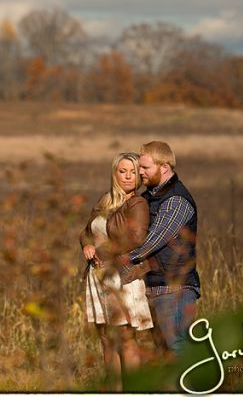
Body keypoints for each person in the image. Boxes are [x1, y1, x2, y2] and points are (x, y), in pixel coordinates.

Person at [112, 141, 200, 358]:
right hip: (155, 287)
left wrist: (123, 259)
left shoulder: (176, 200)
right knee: (164, 355)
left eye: (145, 168)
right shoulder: (150, 197)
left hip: (174, 290)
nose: (140, 172)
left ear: (165, 167)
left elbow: (154, 240)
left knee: (179, 350)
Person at [80, 152, 153, 390]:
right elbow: (86, 231)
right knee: (105, 336)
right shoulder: (105, 201)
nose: (129, 176)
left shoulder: (137, 203)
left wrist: (103, 251)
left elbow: (137, 237)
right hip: (97, 276)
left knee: (125, 337)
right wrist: (87, 245)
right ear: (115, 174)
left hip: (120, 276)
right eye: (123, 171)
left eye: (133, 172)